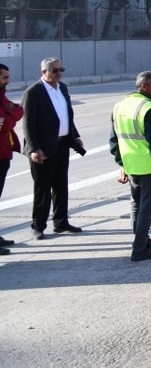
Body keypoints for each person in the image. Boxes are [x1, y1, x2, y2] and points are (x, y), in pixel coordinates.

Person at [108, 71, 151, 262]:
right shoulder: (149, 108)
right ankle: (139, 248)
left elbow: (113, 140)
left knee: (136, 205)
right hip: (149, 165)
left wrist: (121, 163)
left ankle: (141, 239)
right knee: (147, 207)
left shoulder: (120, 105)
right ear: (144, 86)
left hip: (131, 164)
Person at [22, 57, 86, 240]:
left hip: (62, 143)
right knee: (42, 189)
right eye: (54, 70)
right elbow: (27, 124)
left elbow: (66, 116)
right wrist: (34, 148)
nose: (59, 74)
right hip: (42, 148)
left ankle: (61, 222)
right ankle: (38, 225)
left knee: (60, 186)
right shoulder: (33, 92)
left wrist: (75, 136)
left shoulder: (62, 88)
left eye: (61, 69)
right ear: (44, 72)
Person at [0, 63, 22, 254]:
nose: (8, 80)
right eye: (5, 77)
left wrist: (9, 117)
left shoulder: (1, 96)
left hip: (4, 153)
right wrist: (9, 118)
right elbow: (4, 124)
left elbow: (17, 110)